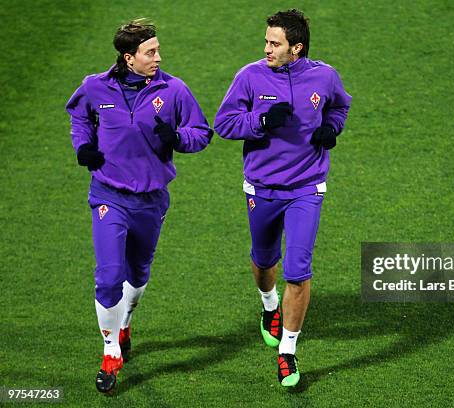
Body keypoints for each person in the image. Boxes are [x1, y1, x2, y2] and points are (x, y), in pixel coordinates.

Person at [65, 18, 213, 393]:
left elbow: (202, 134)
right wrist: (83, 146)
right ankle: (110, 351)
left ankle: (125, 321)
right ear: (129, 58)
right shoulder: (95, 87)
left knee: (138, 272)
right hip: (108, 195)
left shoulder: (173, 89)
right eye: (150, 52)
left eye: (158, 50)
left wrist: (177, 136)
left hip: (151, 199)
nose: (158, 58)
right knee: (109, 274)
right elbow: (79, 116)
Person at [214, 9, 351, 387]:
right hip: (261, 188)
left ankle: (287, 352)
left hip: (307, 187)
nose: (267, 48)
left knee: (298, 270)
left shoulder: (324, 76)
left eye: (274, 43)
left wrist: (331, 127)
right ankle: (269, 306)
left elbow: (340, 105)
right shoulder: (250, 76)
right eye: (267, 41)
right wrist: (258, 122)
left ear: (297, 47)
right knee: (263, 262)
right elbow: (223, 123)